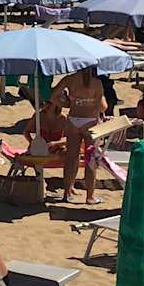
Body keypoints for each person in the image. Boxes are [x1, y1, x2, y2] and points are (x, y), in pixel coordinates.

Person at [52, 70, 104, 203]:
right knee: (90, 159)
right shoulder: (97, 83)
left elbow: (53, 96)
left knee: (71, 158)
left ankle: (67, 193)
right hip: (90, 122)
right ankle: (90, 196)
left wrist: (67, 104)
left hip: (74, 119)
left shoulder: (69, 79)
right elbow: (102, 107)